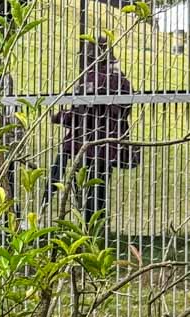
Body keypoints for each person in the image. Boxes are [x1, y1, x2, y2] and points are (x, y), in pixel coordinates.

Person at [45, 39, 142, 224]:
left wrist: (58, 117)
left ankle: (52, 213)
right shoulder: (123, 81)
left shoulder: (89, 79)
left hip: (83, 144)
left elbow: (79, 116)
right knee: (99, 190)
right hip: (109, 146)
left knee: (73, 183)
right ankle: (97, 228)